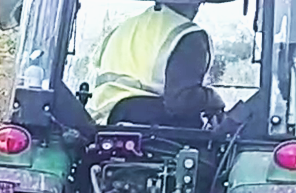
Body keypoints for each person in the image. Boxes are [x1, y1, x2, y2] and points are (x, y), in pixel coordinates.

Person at [83, 2, 223, 128]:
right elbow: (182, 102)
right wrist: (213, 99)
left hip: (100, 127)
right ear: (194, 3)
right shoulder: (188, 34)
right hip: (144, 132)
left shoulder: (121, 29)